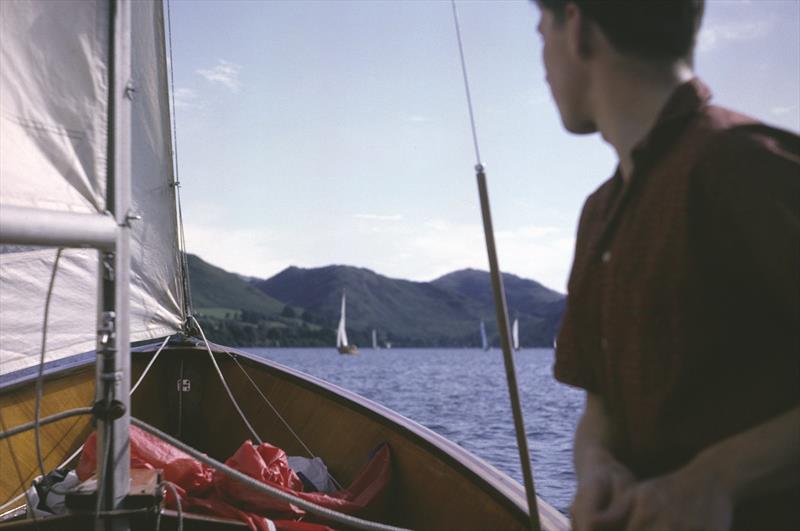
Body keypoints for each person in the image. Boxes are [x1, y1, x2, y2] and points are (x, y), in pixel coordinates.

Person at [533, 1, 800, 530]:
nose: (541, 62)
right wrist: (596, 464)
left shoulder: (748, 166)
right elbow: (600, 407)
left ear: (578, 26)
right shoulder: (600, 212)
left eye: (542, 33)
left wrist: (719, 478)